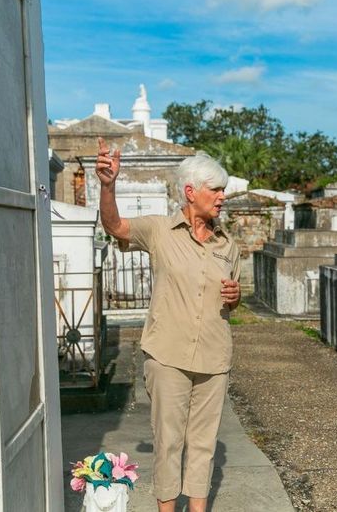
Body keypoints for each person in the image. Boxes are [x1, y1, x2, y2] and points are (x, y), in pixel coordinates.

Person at [95, 138, 241, 512]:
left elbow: (232, 298)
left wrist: (235, 297)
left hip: (213, 355)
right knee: (169, 441)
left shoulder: (229, 245)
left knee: (204, 443)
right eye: (216, 190)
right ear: (191, 192)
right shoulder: (160, 230)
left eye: (224, 190)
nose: (222, 197)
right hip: (167, 355)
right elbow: (115, 226)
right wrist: (108, 186)